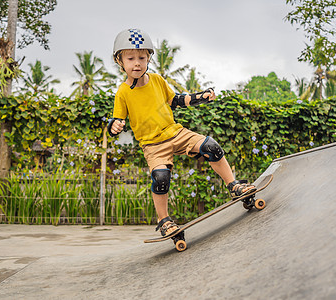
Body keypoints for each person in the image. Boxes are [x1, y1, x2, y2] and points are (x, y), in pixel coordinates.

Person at [108, 28, 256, 237]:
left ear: (149, 57)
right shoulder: (123, 92)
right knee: (160, 177)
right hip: (153, 145)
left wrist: (200, 97)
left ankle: (233, 186)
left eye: (142, 57)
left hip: (176, 133)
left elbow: (176, 100)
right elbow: (117, 119)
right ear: (119, 61)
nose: (137, 63)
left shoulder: (157, 80)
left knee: (211, 147)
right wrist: (114, 126)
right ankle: (164, 220)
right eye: (130, 58)